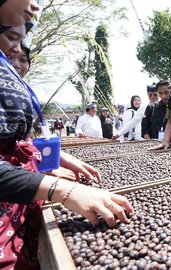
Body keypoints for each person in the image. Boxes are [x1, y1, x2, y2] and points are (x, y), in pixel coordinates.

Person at [0, 2, 134, 269]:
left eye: (20, 41)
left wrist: (50, 158)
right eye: (12, 38)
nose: (35, 4)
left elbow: (10, 141)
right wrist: (63, 190)